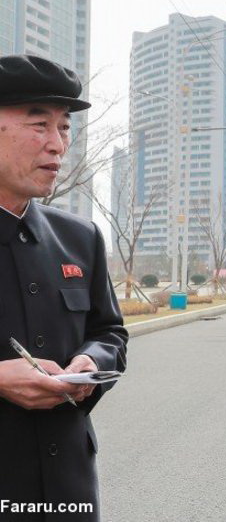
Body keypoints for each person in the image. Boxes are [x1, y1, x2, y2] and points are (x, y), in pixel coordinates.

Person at [0, 55, 127, 521]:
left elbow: (110, 332)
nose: (57, 144)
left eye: (65, 127)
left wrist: (92, 363)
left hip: (67, 487)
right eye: (39, 125)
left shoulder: (80, 237)